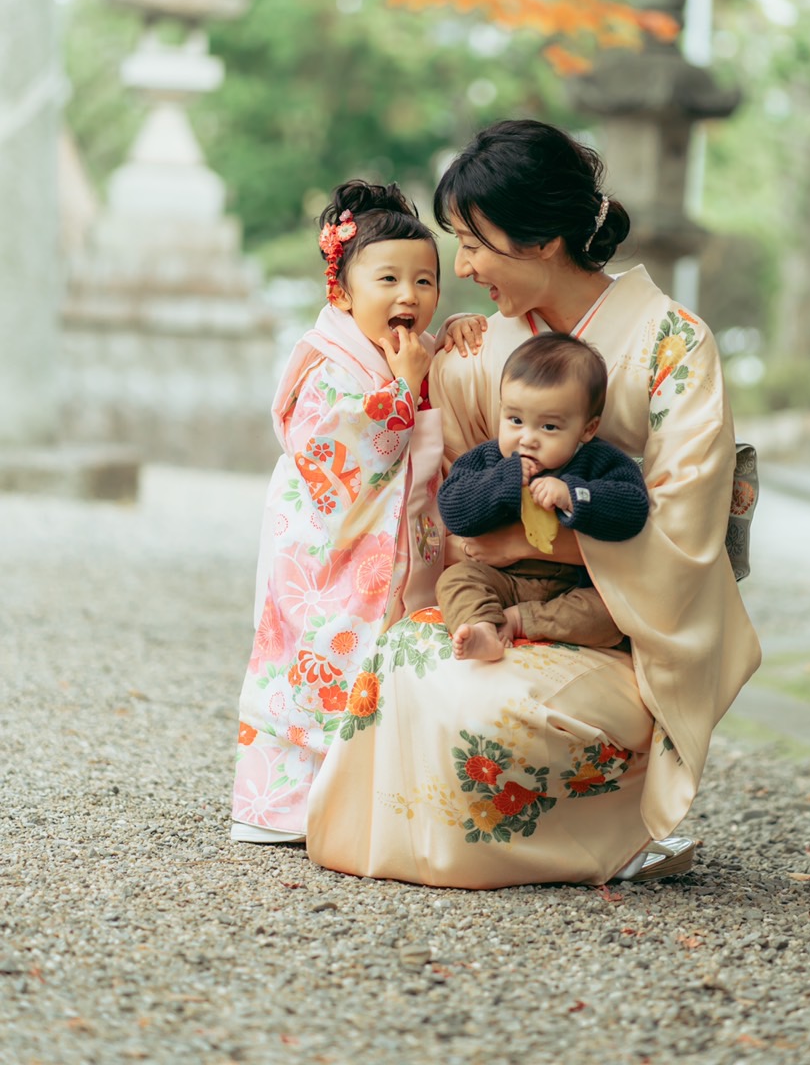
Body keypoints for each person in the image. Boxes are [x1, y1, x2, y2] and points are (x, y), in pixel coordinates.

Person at [306, 121, 762, 888]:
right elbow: (458, 516)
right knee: (411, 657)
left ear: (543, 240)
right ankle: (450, 841)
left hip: (617, 630)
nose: (462, 266)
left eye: (474, 242)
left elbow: (684, 528)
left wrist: (529, 543)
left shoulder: (675, 344)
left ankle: (615, 834)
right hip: (500, 605)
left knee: (495, 711)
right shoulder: (477, 348)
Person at [231, 180, 445, 844]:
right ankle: (281, 810)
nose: (409, 297)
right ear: (343, 292)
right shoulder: (326, 361)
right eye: (389, 279)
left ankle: (358, 809)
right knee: (314, 663)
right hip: (322, 546)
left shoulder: (410, 352)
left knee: (374, 669)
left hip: (375, 545)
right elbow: (336, 447)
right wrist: (403, 392)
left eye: (425, 281)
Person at [436, 332, 648, 660]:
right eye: (516, 420)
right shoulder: (491, 459)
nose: (527, 439)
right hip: (501, 578)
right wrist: (502, 481)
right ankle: (481, 627)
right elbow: (453, 507)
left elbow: (633, 508)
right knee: (455, 580)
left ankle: (521, 620)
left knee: (614, 614)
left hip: (574, 587)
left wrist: (573, 495)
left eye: (549, 427)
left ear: (587, 429)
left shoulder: (598, 460)